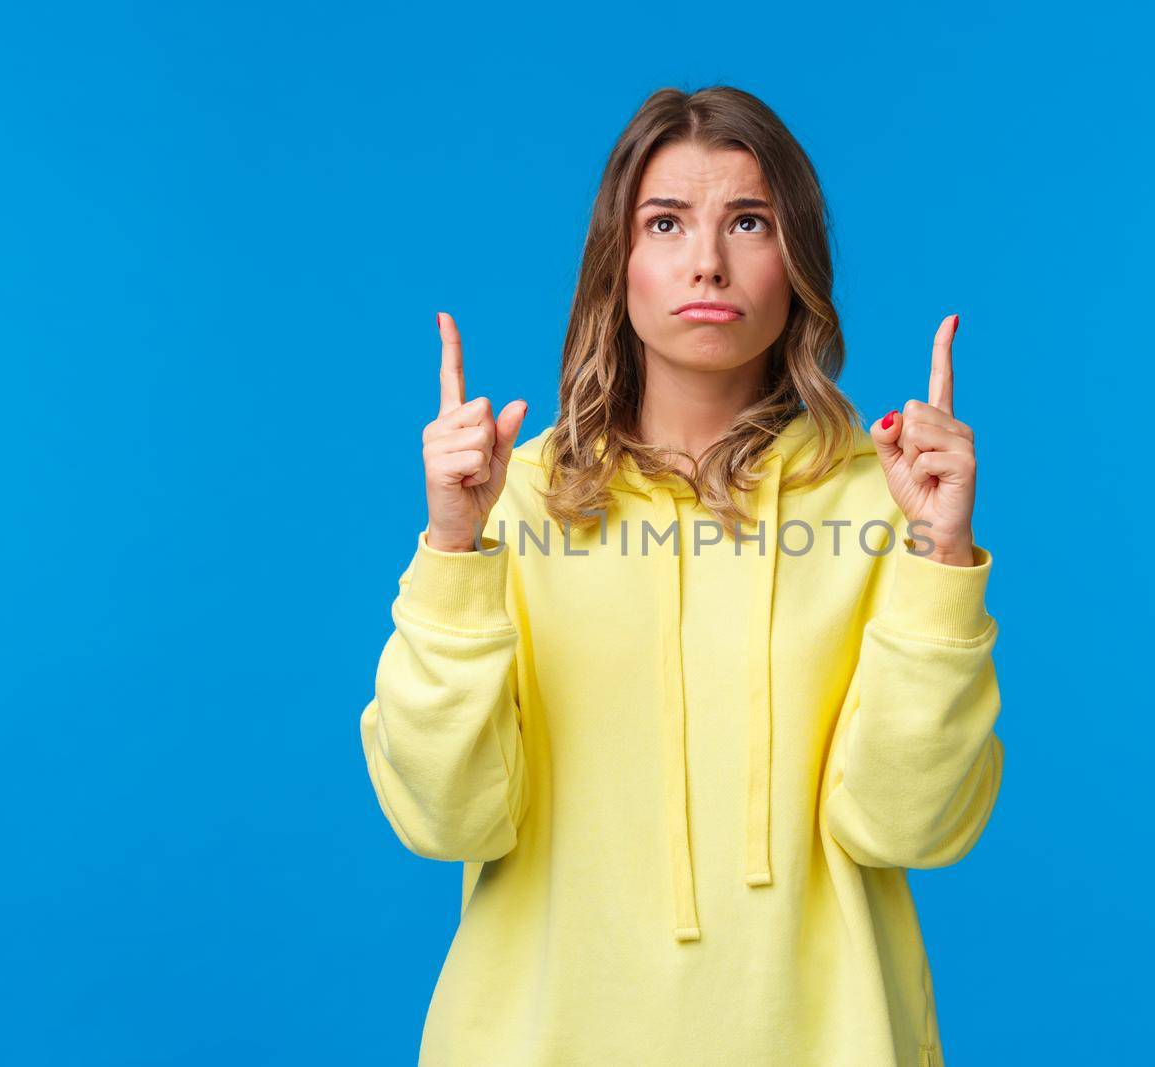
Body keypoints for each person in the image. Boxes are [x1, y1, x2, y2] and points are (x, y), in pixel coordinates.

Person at [358, 85, 1003, 1066]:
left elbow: (906, 826)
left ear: (798, 260)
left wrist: (940, 558)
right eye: (666, 222)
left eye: (748, 220)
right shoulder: (508, 501)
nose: (707, 260)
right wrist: (453, 548)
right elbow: (447, 818)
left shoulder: (892, 500)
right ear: (618, 263)